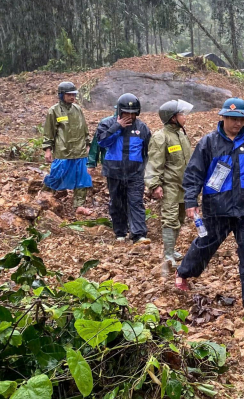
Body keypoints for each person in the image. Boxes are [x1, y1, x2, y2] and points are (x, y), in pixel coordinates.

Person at [175, 98, 244, 310]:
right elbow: (194, 175)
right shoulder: (209, 142)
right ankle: (183, 273)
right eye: (232, 119)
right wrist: (191, 201)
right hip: (217, 208)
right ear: (223, 118)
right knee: (205, 246)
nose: (237, 123)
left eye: (241, 119)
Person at [95, 93, 152, 244]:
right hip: (114, 172)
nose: (129, 116)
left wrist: (144, 170)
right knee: (117, 202)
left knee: (136, 202)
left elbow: (147, 151)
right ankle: (120, 232)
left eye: (132, 113)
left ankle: (139, 234)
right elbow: (102, 142)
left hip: (135, 173)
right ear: (120, 111)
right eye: (126, 112)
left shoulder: (142, 128)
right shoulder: (107, 123)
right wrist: (117, 127)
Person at [145, 99, 194, 265]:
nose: (185, 117)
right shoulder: (160, 137)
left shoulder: (181, 134)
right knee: (170, 219)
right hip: (169, 186)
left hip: (183, 185)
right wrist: (154, 185)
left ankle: (172, 250)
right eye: (181, 114)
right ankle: (167, 255)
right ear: (172, 118)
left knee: (180, 218)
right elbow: (154, 163)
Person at [42, 81, 94, 216]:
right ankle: (44, 198)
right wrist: (48, 149)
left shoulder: (77, 109)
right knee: (56, 175)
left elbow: (84, 129)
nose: (72, 97)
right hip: (63, 151)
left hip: (80, 150)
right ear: (61, 95)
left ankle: (79, 205)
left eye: (74, 94)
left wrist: (88, 145)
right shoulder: (54, 111)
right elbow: (49, 132)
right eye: (69, 94)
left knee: (82, 178)